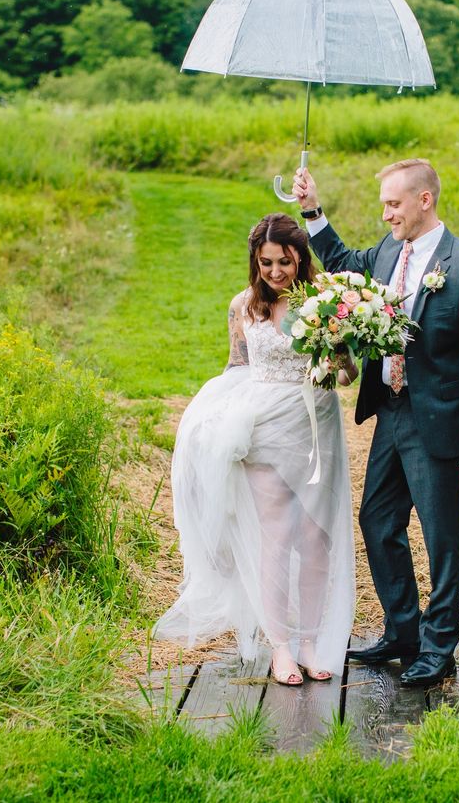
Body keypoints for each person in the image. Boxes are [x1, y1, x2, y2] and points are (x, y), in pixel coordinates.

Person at [292, 160, 459, 687]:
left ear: (424, 200)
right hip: (390, 411)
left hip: (438, 420)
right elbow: (343, 261)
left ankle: (439, 648)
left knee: (443, 537)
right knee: (379, 522)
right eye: (384, 204)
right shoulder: (389, 251)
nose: (385, 214)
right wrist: (312, 211)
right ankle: (402, 631)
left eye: (393, 204)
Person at [153, 213, 355, 687]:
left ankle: (309, 641)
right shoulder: (243, 306)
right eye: (266, 263)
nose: (276, 272)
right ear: (255, 262)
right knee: (278, 536)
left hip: (314, 424)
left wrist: (337, 353)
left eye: (284, 262)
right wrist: (218, 419)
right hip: (264, 426)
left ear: (300, 258)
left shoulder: (324, 303)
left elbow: (347, 376)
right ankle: (281, 646)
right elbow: (236, 366)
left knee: (315, 538)